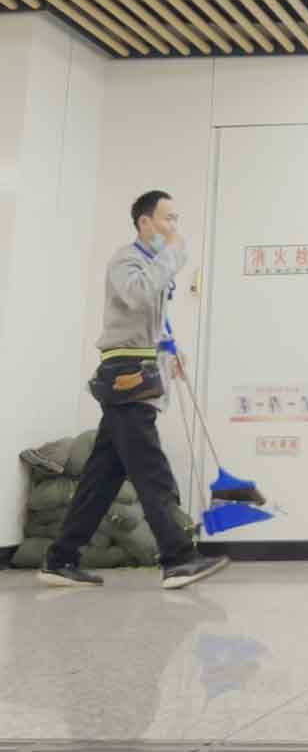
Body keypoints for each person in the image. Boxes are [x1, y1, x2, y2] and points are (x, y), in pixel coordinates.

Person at [41, 189, 229, 594]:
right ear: (145, 222)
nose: (174, 227)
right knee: (150, 468)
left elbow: (148, 323)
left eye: (176, 220)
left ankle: (60, 559)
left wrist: (169, 354)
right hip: (124, 375)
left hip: (138, 370)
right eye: (167, 219)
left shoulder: (151, 264)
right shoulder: (126, 260)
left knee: (102, 476)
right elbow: (138, 295)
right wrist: (173, 254)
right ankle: (178, 559)